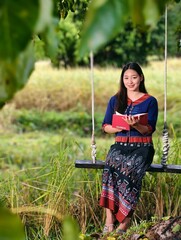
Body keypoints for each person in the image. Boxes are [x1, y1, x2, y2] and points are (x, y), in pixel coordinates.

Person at [99, 62, 158, 235]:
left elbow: (149, 129)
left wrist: (137, 125)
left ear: (141, 78)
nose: (130, 81)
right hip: (120, 146)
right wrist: (119, 127)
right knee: (109, 168)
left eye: (134, 77)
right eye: (126, 78)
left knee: (130, 169)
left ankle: (124, 222)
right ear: (122, 79)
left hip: (142, 148)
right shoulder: (115, 100)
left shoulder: (150, 101)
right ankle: (109, 220)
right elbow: (105, 126)